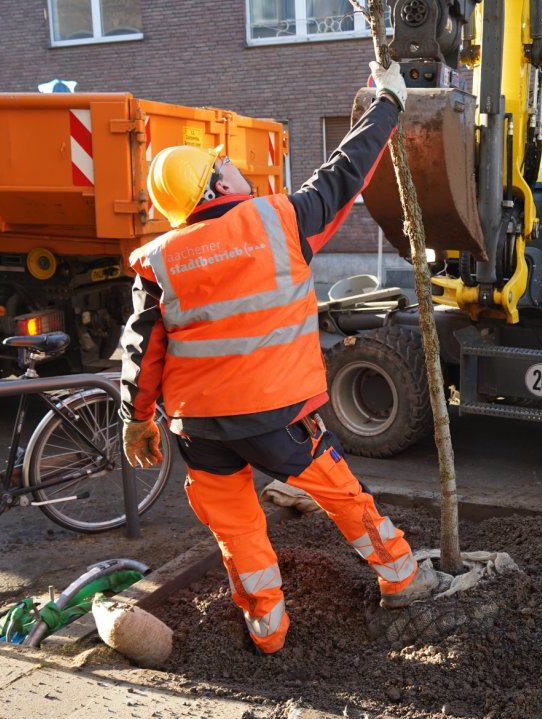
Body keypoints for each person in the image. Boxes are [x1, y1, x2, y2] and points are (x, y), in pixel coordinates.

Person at [117, 62, 449, 655]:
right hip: (278, 417)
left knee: (238, 532)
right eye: (224, 165)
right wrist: (388, 102)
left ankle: (267, 634)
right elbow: (348, 170)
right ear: (215, 189)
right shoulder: (278, 221)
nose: (234, 166)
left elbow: (144, 348)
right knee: (345, 497)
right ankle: (402, 579)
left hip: (199, 428)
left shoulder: (161, 260)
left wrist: (136, 418)